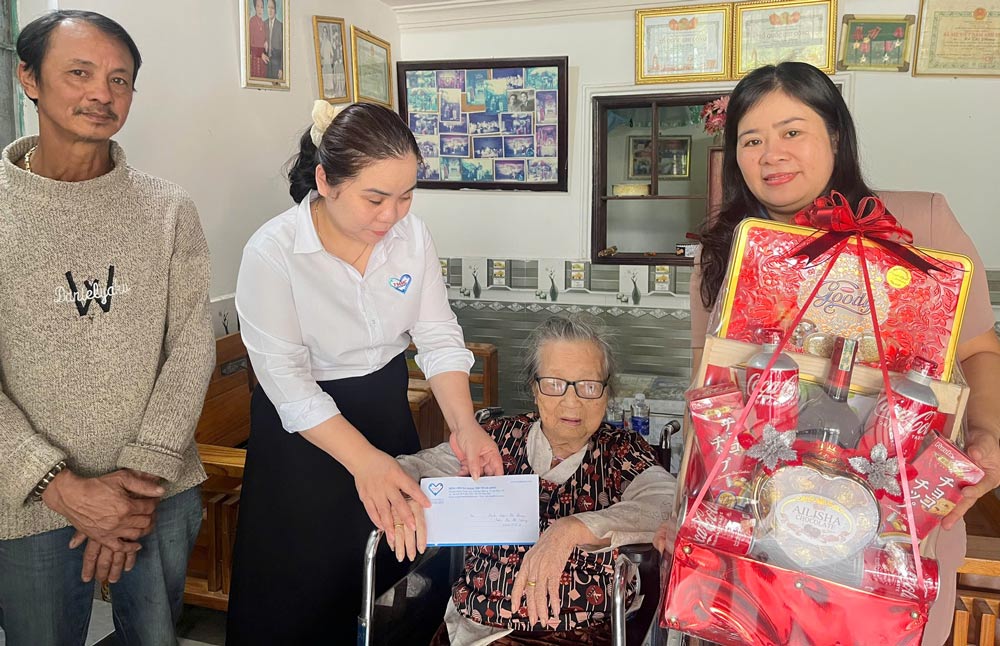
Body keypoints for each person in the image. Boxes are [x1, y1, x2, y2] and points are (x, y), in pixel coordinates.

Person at [668, 61, 1000, 646]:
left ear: (835, 135)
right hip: (758, 538)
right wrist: (689, 502)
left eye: (792, 131)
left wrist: (990, 438)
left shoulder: (919, 221)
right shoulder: (726, 250)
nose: (772, 153)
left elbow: (978, 349)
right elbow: (709, 382)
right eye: (752, 139)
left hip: (889, 540)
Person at [225, 100, 503, 645]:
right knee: (303, 596)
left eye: (405, 197)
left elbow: (438, 337)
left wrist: (464, 426)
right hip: (303, 440)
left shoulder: (411, 237)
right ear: (326, 181)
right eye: (375, 198)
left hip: (384, 411)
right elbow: (290, 386)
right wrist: (365, 464)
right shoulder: (274, 252)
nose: (391, 215)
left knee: (390, 583)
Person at [0, 10, 214, 646]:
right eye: (80, 73)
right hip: (28, 498)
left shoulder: (168, 209)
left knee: (153, 637)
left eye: (119, 80)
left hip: (160, 492)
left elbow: (192, 349)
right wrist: (59, 486)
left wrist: (138, 488)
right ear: (28, 79)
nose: (102, 93)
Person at [394, 316, 675, 646]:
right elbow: (409, 469)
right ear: (534, 388)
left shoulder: (621, 452)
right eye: (555, 383)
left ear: (606, 392)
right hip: (479, 631)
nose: (572, 402)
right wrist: (408, 493)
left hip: (577, 634)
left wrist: (574, 528)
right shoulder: (494, 442)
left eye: (588, 386)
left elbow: (665, 500)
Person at [263, 0, 282, 80]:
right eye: (268, 7)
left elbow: (284, 50)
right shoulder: (263, 24)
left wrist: (281, 68)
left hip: (276, 65)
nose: (270, 10)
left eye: (272, 8)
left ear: (275, 10)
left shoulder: (280, 26)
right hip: (265, 64)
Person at [248, 0, 267, 79]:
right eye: (258, 6)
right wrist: (260, 54)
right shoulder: (251, 22)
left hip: (263, 61)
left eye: (262, 7)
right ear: (255, 7)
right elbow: (249, 45)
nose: (260, 9)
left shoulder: (264, 23)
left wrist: (266, 42)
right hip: (255, 60)